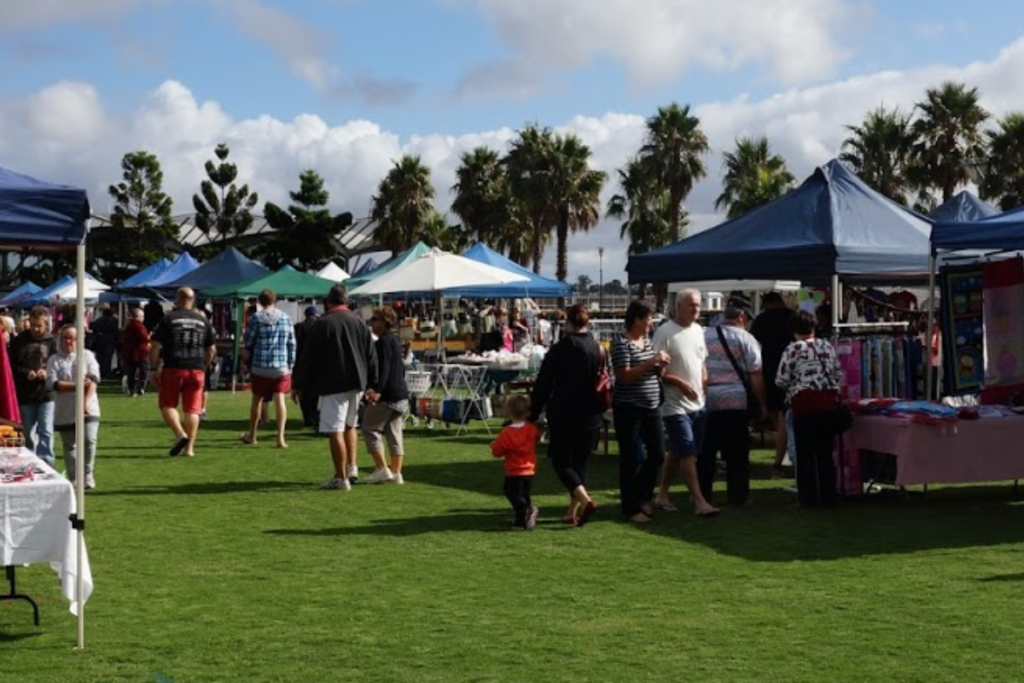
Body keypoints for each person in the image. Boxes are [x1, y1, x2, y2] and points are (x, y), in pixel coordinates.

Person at [292, 284, 377, 491]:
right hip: (357, 382)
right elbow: (371, 355)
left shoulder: (323, 324)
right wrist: (373, 384)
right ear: (346, 301)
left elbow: (308, 357)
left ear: (328, 302)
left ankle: (341, 477)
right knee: (349, 426)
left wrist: (299, 383)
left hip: (333, 383)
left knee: (335, 429)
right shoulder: (359, 323)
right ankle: (351, 467)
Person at [529, 303, 603, 527]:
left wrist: (533, 412)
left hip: (564, 412)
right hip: (591, 413)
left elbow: (544, 384)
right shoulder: (598, 348)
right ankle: (572, 511)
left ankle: (585, 501)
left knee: (561, 461)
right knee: (581, 463)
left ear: (567, 322)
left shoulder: (559, 350)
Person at [652, 290, 719, 517]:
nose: (696, 309)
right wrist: (679, 382)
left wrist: (704, 389)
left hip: (698, 403)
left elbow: (701, 364)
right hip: (674, 404)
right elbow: (656, 369)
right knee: (687, 451)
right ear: (678, 306)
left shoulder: (699, 331)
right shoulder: (665, 332)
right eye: (691, 305)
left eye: (698, 305)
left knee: (680, 452)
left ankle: (662, 494)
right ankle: (700, 501)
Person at [699, 306, 767, 507]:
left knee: (706, 452)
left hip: (708, 398)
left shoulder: (704, 335)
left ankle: (703, 495)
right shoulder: (745, 338)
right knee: (737, 452)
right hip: (736, 400)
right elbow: (755, 373)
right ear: (741, 317)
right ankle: (739, 496)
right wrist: (762, 404)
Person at [611, 299, 671, 523]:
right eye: (648, 318)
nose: (651, 323)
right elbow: (624, 376)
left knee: (657, 454)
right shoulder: (621, 343)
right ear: (636, 319)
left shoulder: (646, 341)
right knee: (630, 458)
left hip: (651, 405)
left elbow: (650, 372)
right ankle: (630, 507)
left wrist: (659, 367)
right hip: (628, 408)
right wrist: (651, 362)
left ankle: (641, 496)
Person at [776, 311, 842, 508]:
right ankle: (829, 495)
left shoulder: (793, 349)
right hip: (827, 403)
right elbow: (837, 373)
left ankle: (808, 498)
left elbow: (781, 380)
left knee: (805, 454)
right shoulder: (827, 346)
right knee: (825, 453)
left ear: (794, 330)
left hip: (803, 405)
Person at [149, 287, 217, 458]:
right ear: (193, 300)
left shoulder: (168, 319)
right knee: (193, 410)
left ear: (177, 299)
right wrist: (204, 366)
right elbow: (212, 349)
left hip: (174, 367)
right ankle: (189, 449)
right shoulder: (203, 320)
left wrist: (153, 367)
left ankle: (180, 434)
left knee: (168, 404)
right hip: (196, 369)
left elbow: (155, 346)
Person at [239, 289, 296, 449]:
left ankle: (253, 435)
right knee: (280, 401)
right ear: (275, 300)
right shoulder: (286, 318)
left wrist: (244, 362)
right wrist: (290, 365)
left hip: (260, 366)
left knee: (257, 401)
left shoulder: (256, 318)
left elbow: (248, 342)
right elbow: (292, 344)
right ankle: (280, 438)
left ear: (260, 302)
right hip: (281, 366)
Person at [46, 324, 101, 489]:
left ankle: (87, 473)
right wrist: (77, 385)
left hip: (88, 406)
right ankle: (74, 478)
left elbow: (93, 380)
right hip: (65, 409)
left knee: (89, 439)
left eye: (72, 338)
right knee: (70, 445)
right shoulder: (54, 360)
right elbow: (53, 384)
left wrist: (84, 402)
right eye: (65, 338)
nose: (68, 342)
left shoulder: (87, 355)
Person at [751, 291, 797, 478]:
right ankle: (783, 451)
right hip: (793, 370)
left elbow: (753, 343)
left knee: (778, 415)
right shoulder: (792, 317)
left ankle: (781, 451)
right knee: (786, 415)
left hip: (769, 369)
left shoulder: (761, 320)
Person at [362, 306, 409, 485]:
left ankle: (382, 468)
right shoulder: (394, 340)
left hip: (388, 394)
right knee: (394, 432)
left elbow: (384, 369)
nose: (372, 323)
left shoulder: (382, 342)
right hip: (400, 393)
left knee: (369, 427)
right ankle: (397, 472)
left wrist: (377, 390)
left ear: (384, 322)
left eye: (375, 319)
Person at [9, 306, 57, 465]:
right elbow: (12, 366)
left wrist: (46, 371)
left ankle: (46, 462)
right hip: (25, 393)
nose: (36, 329)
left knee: (46, 430)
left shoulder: (52, 342)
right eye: (33, 325)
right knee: (28, 432)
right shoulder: (19, 341)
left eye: (39, 325)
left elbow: (56, 363)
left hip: (46, 393)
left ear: (46, 325)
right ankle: (30, 461)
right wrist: (26, 373)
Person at [491, 394, 541, 530]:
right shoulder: (531, 429)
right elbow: (537, 437)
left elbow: (498, 452)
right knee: (524, 494)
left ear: (509, 412)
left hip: (514, 469)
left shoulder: (507, 433)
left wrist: (494, 445)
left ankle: (527, 510)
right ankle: (522, 521)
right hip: (529, 468)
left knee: (510, 492)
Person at [294, 305, 320, 429]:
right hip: (316, 364)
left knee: (302, 392)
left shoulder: (298, 327)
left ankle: (307, 417)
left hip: (301, 364)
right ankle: (313, 415)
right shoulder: (320, 326)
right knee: (314, 393)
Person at [121, 307, 150, 397]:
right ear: (137, 316)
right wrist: (149, 338)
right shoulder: (138, 326)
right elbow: (144, 337)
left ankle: (132, 390)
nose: (143, 318)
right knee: (144, 371)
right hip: (140, 353)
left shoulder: (128, 325)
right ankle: (140, 387)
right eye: (142, 316)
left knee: (131, 373)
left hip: (129, 353)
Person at [88, 305, 119, 379]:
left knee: (100, 357)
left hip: (99, 340)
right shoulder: (113, 320)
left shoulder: (98, 320)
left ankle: (100, 372)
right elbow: (115, 331)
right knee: (107, 358)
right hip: (109, 340)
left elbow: (93, 328)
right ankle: (106, 372)